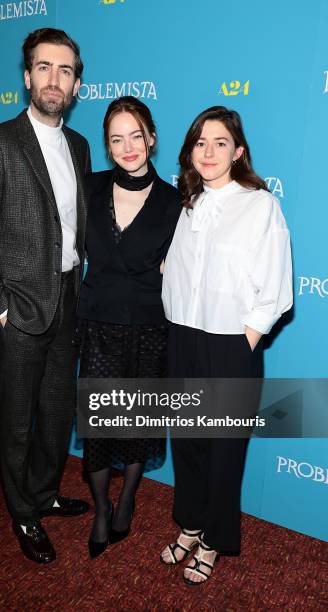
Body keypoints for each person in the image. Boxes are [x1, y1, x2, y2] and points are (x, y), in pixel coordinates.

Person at [0, 28, 91, 565]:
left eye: (65, 70)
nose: (53, 79)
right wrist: (0, 306)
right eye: (44, 67)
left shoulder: (78, 146)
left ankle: (44, 491)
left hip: (68, 300)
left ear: (76, 84)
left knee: (57, 416)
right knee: (17, 419)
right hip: (20, 307)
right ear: (26, 76)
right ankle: (23, 513)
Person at [160, 106, 293, 583]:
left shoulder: (260, 205)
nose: (209, 151)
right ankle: (191, 524)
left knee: (223, 449)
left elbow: (276, 288)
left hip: (229, 346)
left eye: (220, 142)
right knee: (189, 442)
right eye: (200, 142)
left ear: (238, 151)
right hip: (183, 337)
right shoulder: (188, 203)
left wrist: (245, 341)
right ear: (190, 152)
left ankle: (215, 538)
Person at [77, 96, 181, 557]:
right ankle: (101, 508)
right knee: (99, 424)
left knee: (138, 423)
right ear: (108, 146)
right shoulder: (89, 188)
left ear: (151, 138)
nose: (127, 147)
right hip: (98, 323)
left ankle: (128, 500)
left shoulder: (175, 201)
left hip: (148, 328)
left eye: (135, 135)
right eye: (116, 139)